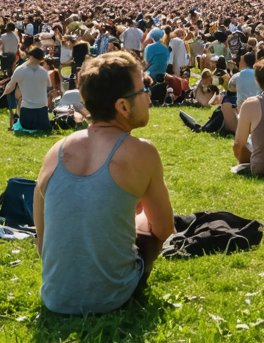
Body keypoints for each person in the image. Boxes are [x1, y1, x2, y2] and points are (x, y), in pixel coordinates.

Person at [34, 51, 174, 315]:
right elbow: (165, 229)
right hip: (112, 297)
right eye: (143, 88)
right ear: (122, 106)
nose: (148, 96)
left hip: (55, 297)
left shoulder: (56, 150)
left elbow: (42, 242)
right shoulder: (142, 152)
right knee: (145, 219)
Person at [7, 47, 52, 131]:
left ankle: (14, 116)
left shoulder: (20, 70)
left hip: (26, 113)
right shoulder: (44, 73)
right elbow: (49, 87)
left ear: (29, 56)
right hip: (42, 114)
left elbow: (10, 85)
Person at [143, 30, 171, 104]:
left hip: (151, 73)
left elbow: (147, 63)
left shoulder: (149, 47)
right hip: (163, 71)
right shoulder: (166, 48)